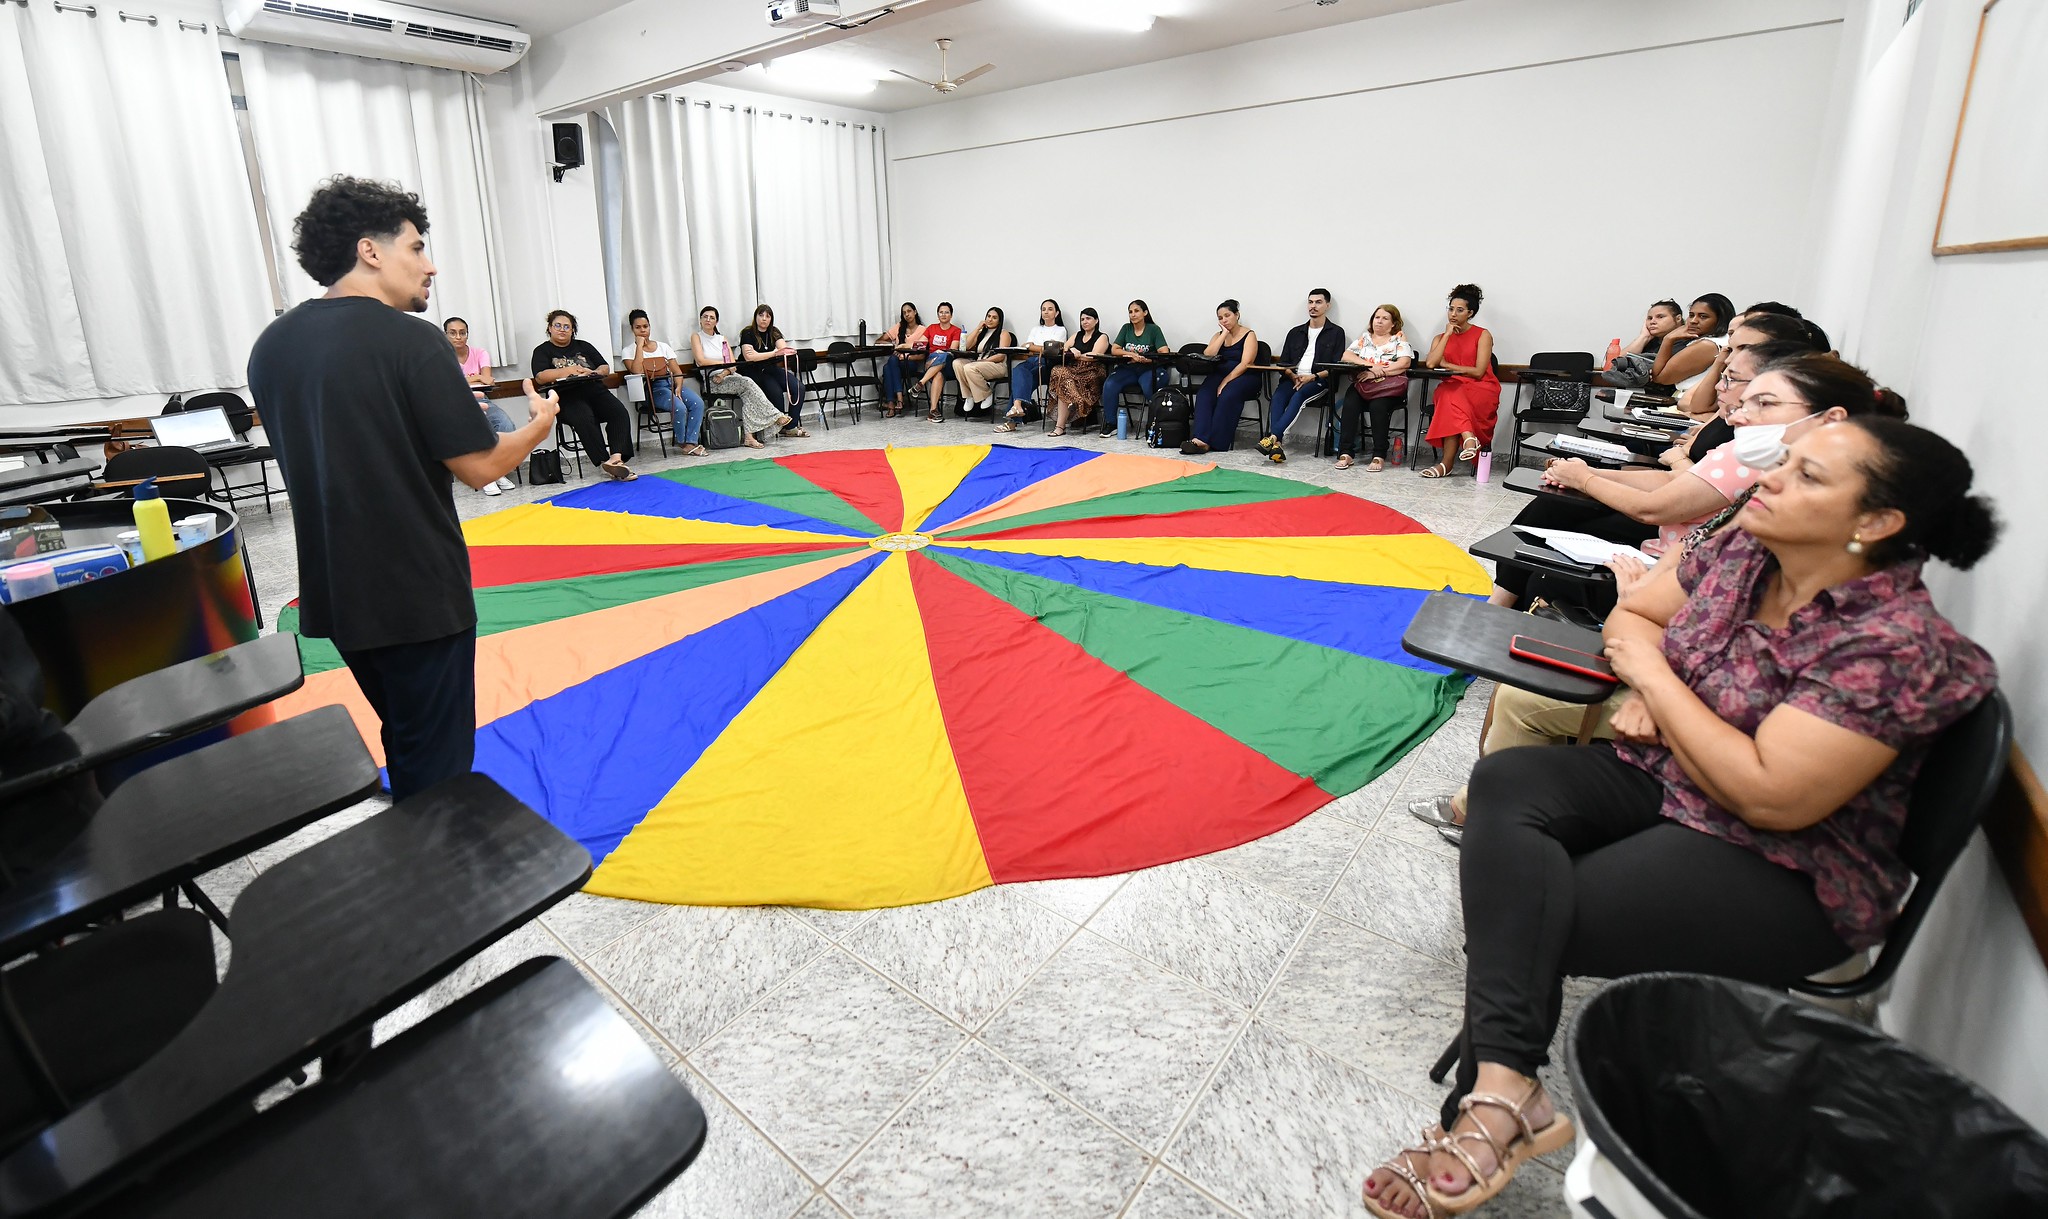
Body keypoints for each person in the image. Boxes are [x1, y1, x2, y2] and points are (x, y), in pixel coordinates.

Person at [1360, 417, 2000, 1219]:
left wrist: (1658, 690)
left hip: (1787, 859)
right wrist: (1654, 675)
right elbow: (1633, 619)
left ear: (1876, 523)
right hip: (1673, 773)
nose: (1768, 478)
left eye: (1808, 477)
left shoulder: (1893, 640)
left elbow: (1769, 793)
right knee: (1509, 782)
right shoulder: (1746, 546)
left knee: (1542, 911)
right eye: (1784, 463)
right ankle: (1510, 1087)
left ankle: (1487, 1108)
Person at [248, 176, 558, 802]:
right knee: (437, 760)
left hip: (335, 592)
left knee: (405, 733)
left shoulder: (271, 346)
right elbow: (479, 467)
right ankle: (436, 879)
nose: (430, 265)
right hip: (416, 591)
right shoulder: (413, 341)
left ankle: (415, 854)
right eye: (417, 248)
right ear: (370, 251)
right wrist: (538, 425)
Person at [530, 310, 636, 481]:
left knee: (619, 412)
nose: (562, 330)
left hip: (594, 390)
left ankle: (616, 459)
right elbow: (540, 377)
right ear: (550, 328)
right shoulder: (542, 351)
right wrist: (570, 370)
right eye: (558, 325)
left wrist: (593, 371)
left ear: (573, 330)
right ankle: (604, 461)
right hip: (566, 396)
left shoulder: (584, 346)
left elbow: (604, 367)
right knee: (584, 417)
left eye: (567, 327)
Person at [1258, 288, 1348, 463]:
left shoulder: (1337, 332)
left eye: (1318, 302)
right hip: (1293, 377)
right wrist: (1293, 376)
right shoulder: (1295, 332)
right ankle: (1277, 446)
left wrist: (1312, 377)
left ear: (1327, 306)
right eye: (1310, 302)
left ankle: (1273, 437)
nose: (1313, 306)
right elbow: (1283, 363)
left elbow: (1336, 366)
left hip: (1319, 380)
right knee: (1278, 397)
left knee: (1299, 396)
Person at [1419, 284, 1499, 478]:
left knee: (1448, 397)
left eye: (1460, 310)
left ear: (1470, 313)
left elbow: (1479, 372)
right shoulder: (1440, 337)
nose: (1453, 314)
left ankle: (1446, 464)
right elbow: (1430, 363)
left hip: (1481, 389)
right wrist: (1447, 335)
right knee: (1448, 393)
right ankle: (1468, 437)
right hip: (1452, 387)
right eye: (1451, 309)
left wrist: (1448, 365)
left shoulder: (1483, 334)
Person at [693, 306, 789, 447]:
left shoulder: (722, 339)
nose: (708, 320)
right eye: (705, 317)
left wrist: (724, 372)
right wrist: (721, 365)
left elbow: (732, 364)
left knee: (748, 392)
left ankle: (749, 437)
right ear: (700, 320)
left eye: (712, 317)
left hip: (726, 377)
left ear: (716, 322)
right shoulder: (696, 336)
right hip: (711, 380)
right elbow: (701, 361)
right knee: (747, 383)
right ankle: (775, 416)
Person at [1334, 304, 1413, 472]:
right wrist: (1370, 366)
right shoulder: (1365, 338)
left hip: (1388, 387)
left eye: (1385, 318)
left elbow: (1404, 363)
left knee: (1378, 406)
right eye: (1377, 317)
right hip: (1364, 384)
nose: (1379, 321)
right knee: (1350, 402)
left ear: (1393, 323)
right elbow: (1346, 355)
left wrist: (1376, 373)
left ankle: (1379, 454)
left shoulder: (1398, 338)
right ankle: (1346, 452)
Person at [446, 317, 518, 496]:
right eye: (453, 333)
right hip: (454, 404)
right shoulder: (441, 357)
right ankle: (486, 476)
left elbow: (487, 380)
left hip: (481, 400)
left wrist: (472, 379)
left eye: (462, 333)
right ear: (445, 335)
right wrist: (476, 377)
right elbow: (449, 383)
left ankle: (495, 471)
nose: (458, 337)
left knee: (505, 425)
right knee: (478, 426)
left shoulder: (480, 353)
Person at [623, 308, 707, 458]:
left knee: (698, 403)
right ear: (632, 329)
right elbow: (635, 371)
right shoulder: (628, 351)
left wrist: (679, 388)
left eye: (645, 326)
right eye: (638, 327)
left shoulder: (663, 347)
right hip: (652, 389)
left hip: (671, 384)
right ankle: (684, 444)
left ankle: (691, 441)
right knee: (679, 407)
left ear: (650, 326)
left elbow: (677, 372)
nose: (643, 330)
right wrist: (639, 347)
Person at [1180, 300, 1259, 455]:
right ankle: (1200, 439)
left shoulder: (1249, 334)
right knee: (1204, 394)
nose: (1224, 320)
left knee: (1227, 395)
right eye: (1220, 318)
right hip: (1220, 372)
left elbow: (1246, 363)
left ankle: (1218, 443)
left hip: (1244, 375)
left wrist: (1225, 381)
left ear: (1237, 315)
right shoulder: (1219, 335)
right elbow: (1209, 354)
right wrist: (1223, 334)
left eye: (1227, 315)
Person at [1098, 299, 1167, 437]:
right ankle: (1111, 424)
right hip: (1129, 368)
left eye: (1136, 311)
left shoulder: (1154, 329)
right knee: (1110, 384)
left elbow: (1164, 352)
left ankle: (1154, 423)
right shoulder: (1126, 328)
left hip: (1149, 368)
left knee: (1148, 384)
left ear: (1145, 313)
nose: (1133, 314)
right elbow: (1115, 349)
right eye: (1130, 312)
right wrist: (1132, 354)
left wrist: (1147, 359)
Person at [739, 305, 809, 437]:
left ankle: (791, 426)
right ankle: (779, 426)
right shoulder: (747, 333)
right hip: (753, 370)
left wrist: (775, 353)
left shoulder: (774, 332)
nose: (764, 319)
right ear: (756, 317)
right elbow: (750, 357)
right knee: (776, 392)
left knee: (799, 387)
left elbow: (782, 351)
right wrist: (773, 353)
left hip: (771, 368)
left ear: (771, 319)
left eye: (767, 316)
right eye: (761, 315)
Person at [1646, 292, 1735, 396]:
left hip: (1688, 402)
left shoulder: (1708, 345)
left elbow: (1659, 378)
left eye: (1703, 316)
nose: (1693, 321)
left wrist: (1668, 339)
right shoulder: (1721, 340)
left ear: (1720, 320)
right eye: (1691, 315)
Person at [1045, 307, 1111, 436]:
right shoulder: (1077, 335)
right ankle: (1070, 408)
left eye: (1088, 318)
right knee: (1058, 371)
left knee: (1063, 379)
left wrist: (1077, 354)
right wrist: (1072, 350)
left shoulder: (1102, 337)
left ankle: (1062, 424)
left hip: (1092, 371)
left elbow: (1094, 355)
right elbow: (1064, 347)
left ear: (1096, 320)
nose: (1085, 322)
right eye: (1082, 319)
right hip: (1074, 369)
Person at [1003, 299, 1068, 422]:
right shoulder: (1035, 329)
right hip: (1032, 361)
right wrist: (1039, 348)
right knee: (1018, 371)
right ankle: (1017, 408)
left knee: (1021, 380)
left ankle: (1012, 419)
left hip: (1047, 365)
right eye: (1043, 309)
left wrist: (1033, 347)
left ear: (1057, 313)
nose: (1046, 312)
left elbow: (1052, 350)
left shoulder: (1060, 330)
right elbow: (1026, 347)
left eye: (1050, 309)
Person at [1598, 299, 1684, 388]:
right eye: (1649, 318)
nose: (1652, 321)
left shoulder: (1687, 345)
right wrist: (1643, 337)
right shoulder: (1649, 342)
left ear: (1678, 318)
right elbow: (1612, 368)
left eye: (1660, 317)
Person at [954, 307, 1014, 419]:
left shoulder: (1003, 333)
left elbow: (1001, 355)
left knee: (969, 368)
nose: (990, 319)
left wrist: (984, 360)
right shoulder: (982, 333)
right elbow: (966, 347)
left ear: (999, 321)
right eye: (988, 316)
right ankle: (969, 396)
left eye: (994, 318)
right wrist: (977, 329)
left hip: (997, 365)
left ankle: (987, 393)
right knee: (957, 363)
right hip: (978, 364)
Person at [917, 301, 965, 423]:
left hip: (948, 364)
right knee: (938, 374)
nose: (943, 315)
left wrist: (939, 352)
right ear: (938, 315)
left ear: (951, 315)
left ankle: (921, 382)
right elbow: (921, 345)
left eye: (947, 312)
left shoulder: (956, 330)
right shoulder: (931, 328)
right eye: (941, 312)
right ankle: (933, 411)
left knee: (945, 355)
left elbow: (953, 349)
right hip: (931, 362)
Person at [879, 301, 926, 418]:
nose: (907, 315)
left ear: (915, 312)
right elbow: (879, 341)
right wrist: (894, 346)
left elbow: (922, 355)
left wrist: (905, 355)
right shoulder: (899, 327)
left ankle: (892, 402)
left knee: (888, 366)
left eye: (909, 311)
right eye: (904, 313)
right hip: (896, 364)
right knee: (890, 364)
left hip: (911, 364)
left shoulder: (922, 330)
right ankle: (897, 401)